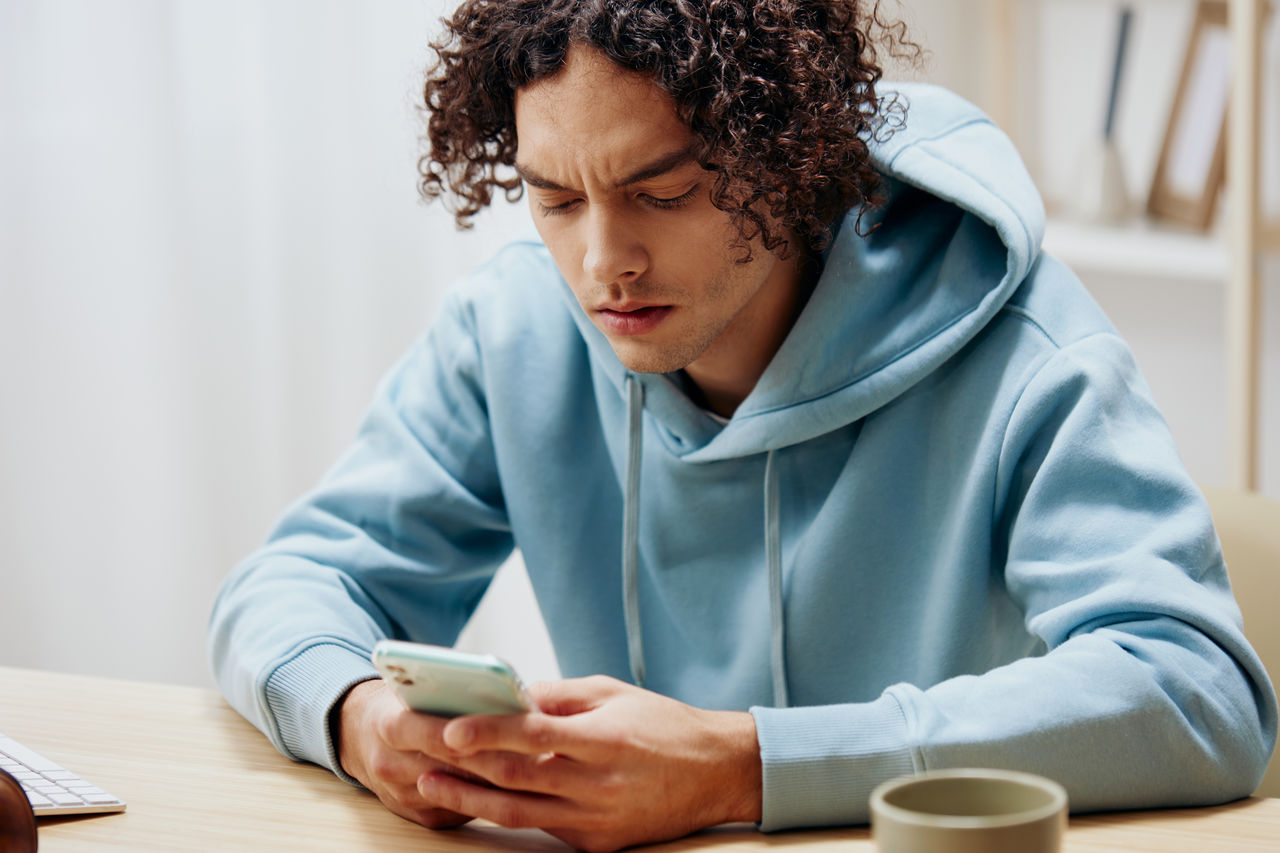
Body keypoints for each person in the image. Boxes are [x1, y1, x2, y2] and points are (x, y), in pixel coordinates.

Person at [207, 1, 1277, 850]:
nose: (600, 262)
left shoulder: (1028, 351)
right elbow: (288, 583)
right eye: (555, 199)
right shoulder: (512, 330)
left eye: (660, 191)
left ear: (788, 152)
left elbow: (1195, 689)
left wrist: (744, 764)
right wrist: (358, 717)